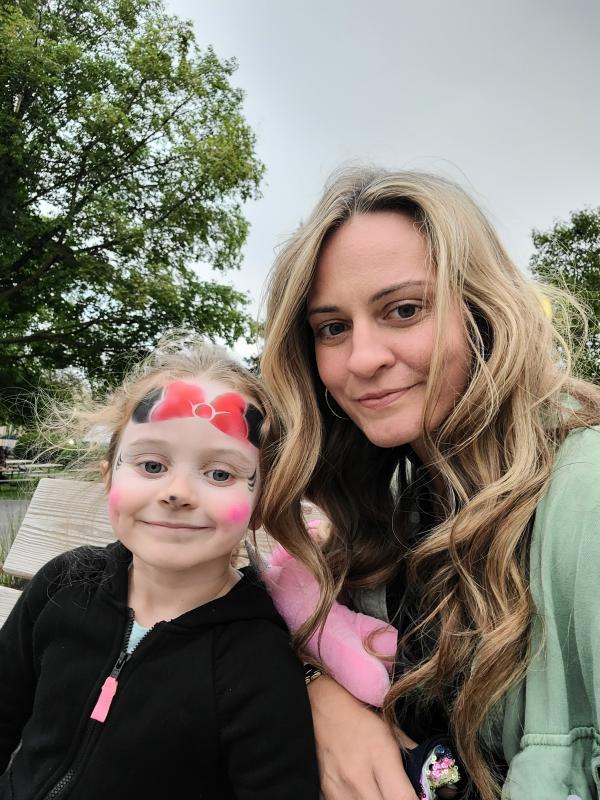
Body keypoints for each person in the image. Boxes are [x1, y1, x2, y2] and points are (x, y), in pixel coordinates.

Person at [258, 168, 600, 800]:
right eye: (332, 327)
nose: (362, 358)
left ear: (483, 309)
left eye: (404, 310)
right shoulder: (395, 501)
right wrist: (318, 693)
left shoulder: (586, 490)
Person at [0, 338, 320, 800]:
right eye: (152, 464)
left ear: (260, 503)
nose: (178, 492)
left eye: (220, 474)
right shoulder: (62, 586)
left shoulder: (255, 658)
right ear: (109, 473)